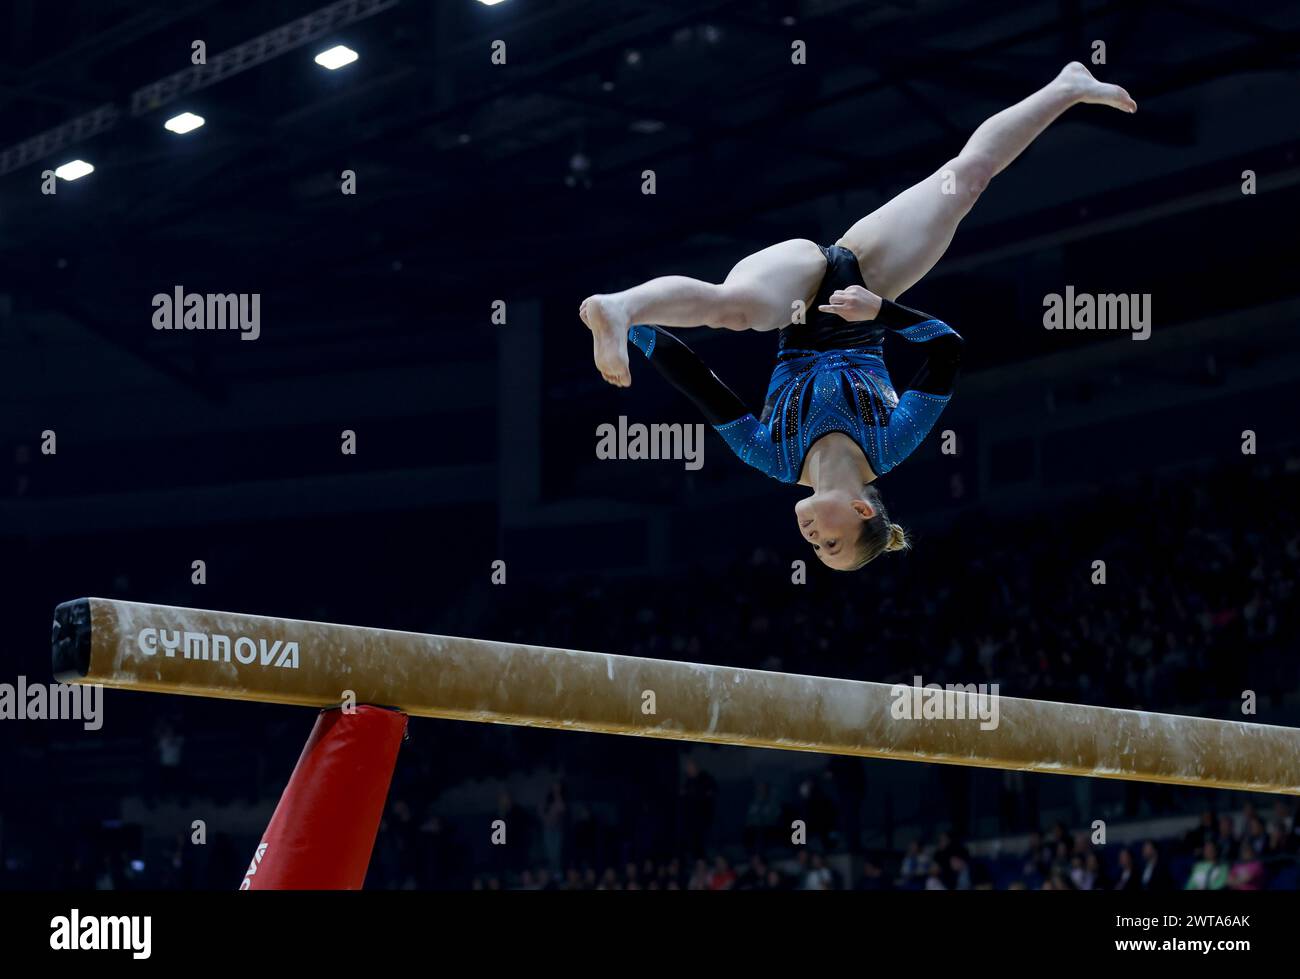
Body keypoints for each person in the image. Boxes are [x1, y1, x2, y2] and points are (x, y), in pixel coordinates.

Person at [581, 62, 1135, 569]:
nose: (812, 539)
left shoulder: (772, 457)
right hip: (869, 281)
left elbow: (700, 381)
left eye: (817, 549)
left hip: (794, 293)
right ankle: (1067, 87)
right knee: (966, 180)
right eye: (831, 542)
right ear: (863, 512)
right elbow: (948, 349)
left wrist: (643, 337)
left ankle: (623, 309)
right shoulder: (891, 443)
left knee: (735, 310)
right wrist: (879, 310)